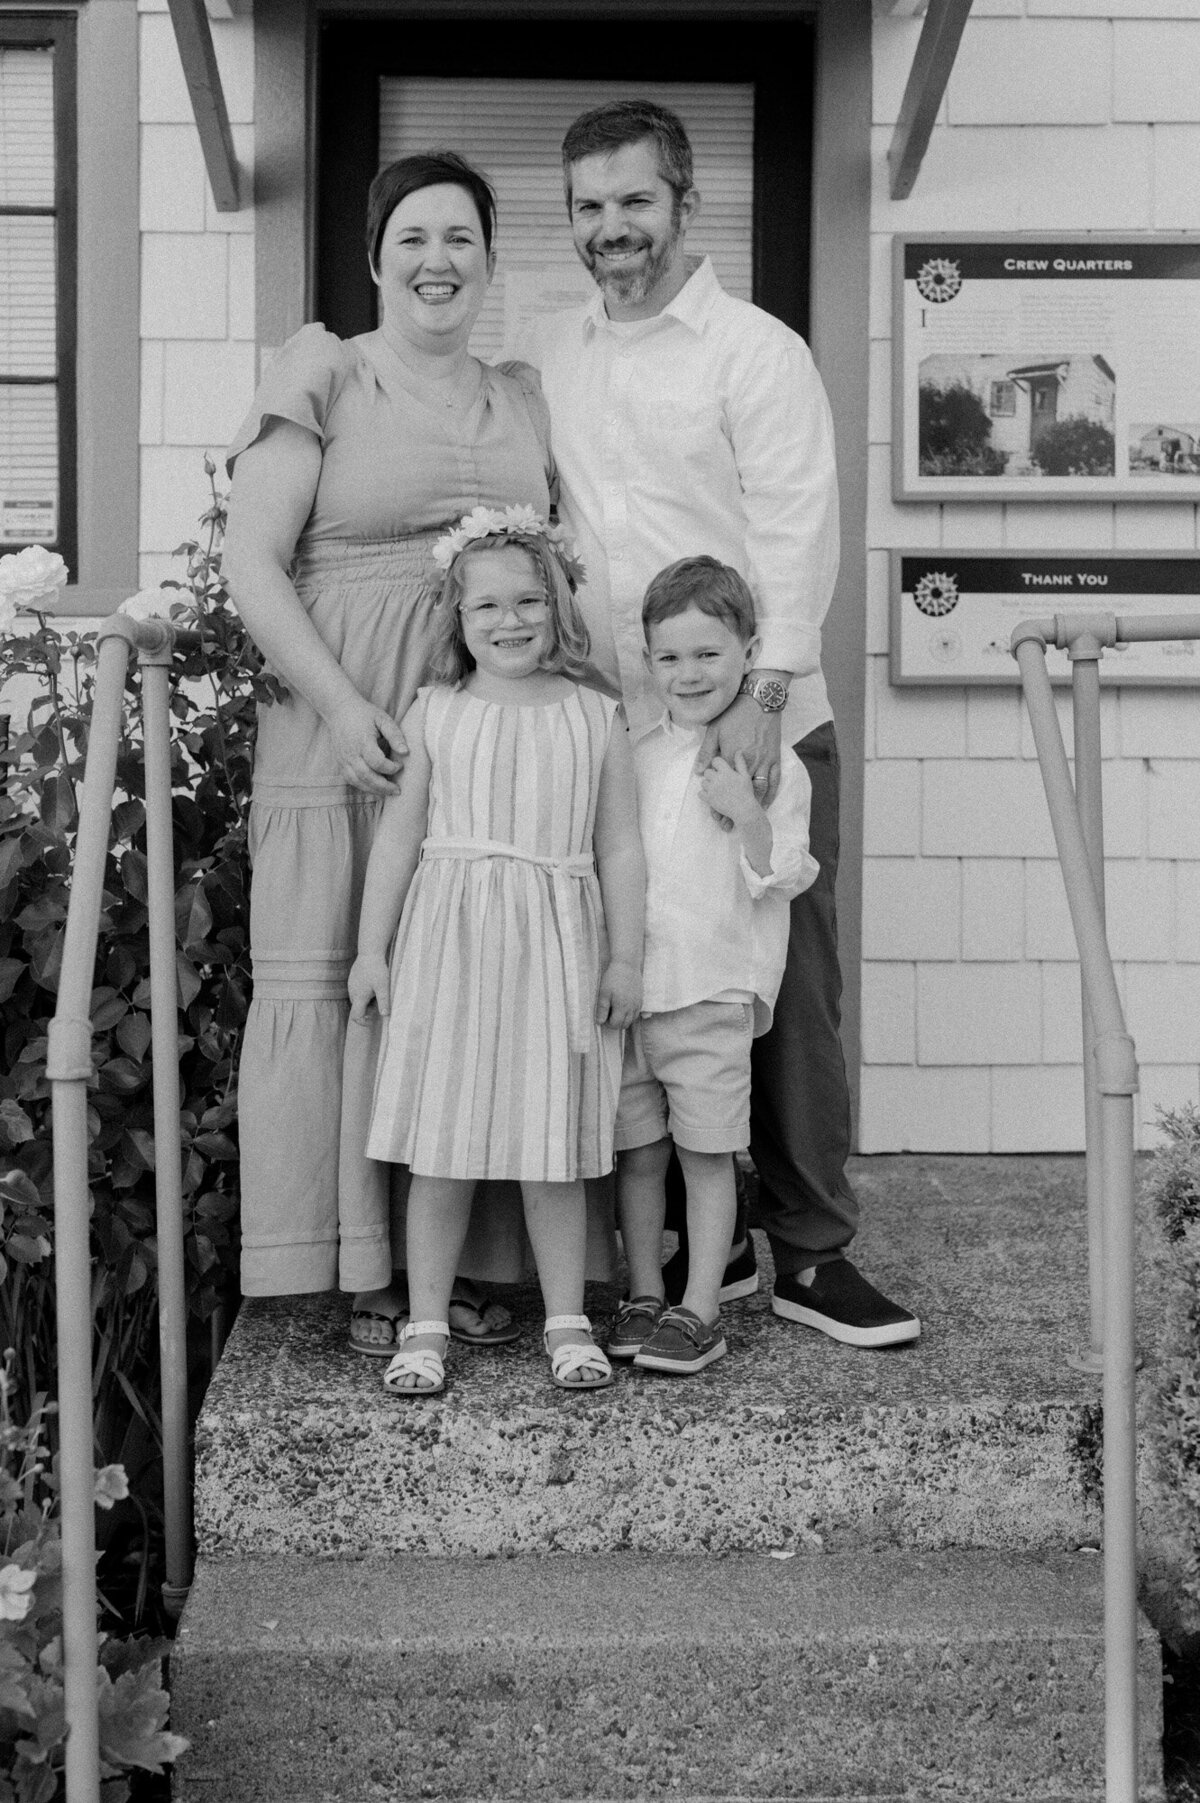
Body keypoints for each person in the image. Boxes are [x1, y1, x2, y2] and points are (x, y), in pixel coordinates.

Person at [524, 99, 919, 1348]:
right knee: (646, 981)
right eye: (588, 207)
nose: (611, 229)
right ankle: (705, 1238)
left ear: (686, 204)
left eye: (634, 201)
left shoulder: (757, 351)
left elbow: (801, 527)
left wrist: (761, 700)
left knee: (785, 981)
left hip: (758, 717)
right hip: (624, 734)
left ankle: (809, 1250)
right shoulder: (553, 354)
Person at [223, 150, 563, 1351]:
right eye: (413, 237)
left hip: (481, 738)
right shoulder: (327, 369)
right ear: (376, 259)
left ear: (488, 262)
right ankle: (360, 1268)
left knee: (466, 984)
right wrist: (338, 704)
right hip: (345, 730)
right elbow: (251, 564)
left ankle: (462, 1266)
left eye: (461, 238)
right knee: (342, 979)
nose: (438, 260)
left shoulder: (521, 393)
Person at [346, 511, 644, 1397]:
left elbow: (621, 845)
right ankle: (426, 1323)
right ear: (457, 616)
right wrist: (372, 948)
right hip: (452, 943)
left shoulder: (596, 715)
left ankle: (567, 1320)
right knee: (441, 1145)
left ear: (556, 606)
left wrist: (624, 957)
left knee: (549, 1145)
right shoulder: (436, 712)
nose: (509, 621)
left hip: (558, 941)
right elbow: (399, 839)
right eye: (487, 606)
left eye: (527, 601)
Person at [610, 558, 817, 1376]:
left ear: (748, 652)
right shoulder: (636, 751)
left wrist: (748, 817)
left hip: (711, 990)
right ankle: (640, 1291)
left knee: (704, 1155)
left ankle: (701, 1306)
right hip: (633, 993)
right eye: (670, 657)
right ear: (649, 659)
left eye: (708, 654)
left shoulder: (776, 765)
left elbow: (786, 873)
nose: (688, 673)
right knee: (637, 1155)